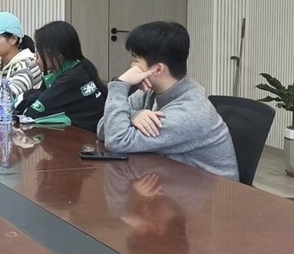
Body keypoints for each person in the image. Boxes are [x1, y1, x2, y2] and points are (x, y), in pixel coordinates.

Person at [96, 21, 239, 180]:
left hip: (211, 192)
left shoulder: (190, 112)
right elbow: (104, 126)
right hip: (172, 180)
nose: (132, 66)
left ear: (157, 69)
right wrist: (135, 115)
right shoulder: (150, 92)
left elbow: (117, 141)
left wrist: (120, 85)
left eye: (136, 60)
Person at [13, 21, 107, 131]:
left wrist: (29, 97)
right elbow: (40, 96)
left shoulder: (70, 80)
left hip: (86, 137)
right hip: (78, 134)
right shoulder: (74, 69)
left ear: (57, 54)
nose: (35, 56)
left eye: (39, 51)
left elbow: (29, 115)